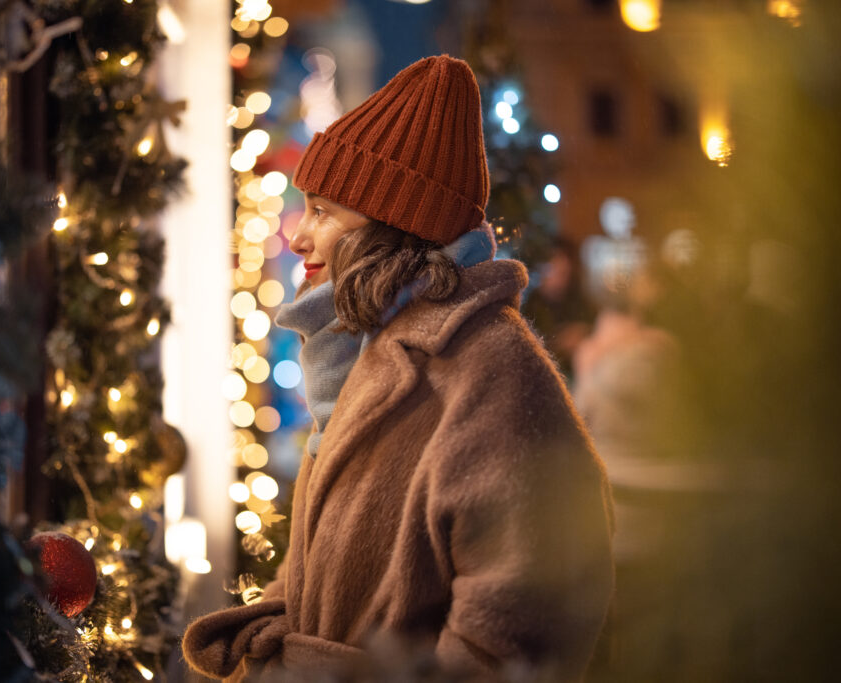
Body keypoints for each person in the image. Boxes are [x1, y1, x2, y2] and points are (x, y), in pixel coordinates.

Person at [183, 56, 613, 682]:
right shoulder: (365, 353)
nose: (299, 238)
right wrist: (284, 614)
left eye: (324, 212)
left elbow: (519, 631)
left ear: (393, 226)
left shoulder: (490, 371)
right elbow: (332, 558)